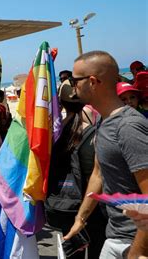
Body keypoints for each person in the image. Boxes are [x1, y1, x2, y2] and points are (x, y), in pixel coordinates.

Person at [63, 51, 148, 259]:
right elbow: (98, 173)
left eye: (75, 80)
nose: (72, 86)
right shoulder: (103, 120)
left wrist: (136, 253)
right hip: (115, 237)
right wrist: (80, 219)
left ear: (92, 81)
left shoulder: (128, 127)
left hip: (136, 241)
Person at [46, 80, 106, 258]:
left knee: (73, 251)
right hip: (93, 203)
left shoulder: (54, 133)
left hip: (66, 202)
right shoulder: (94, 132)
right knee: (97, 248)